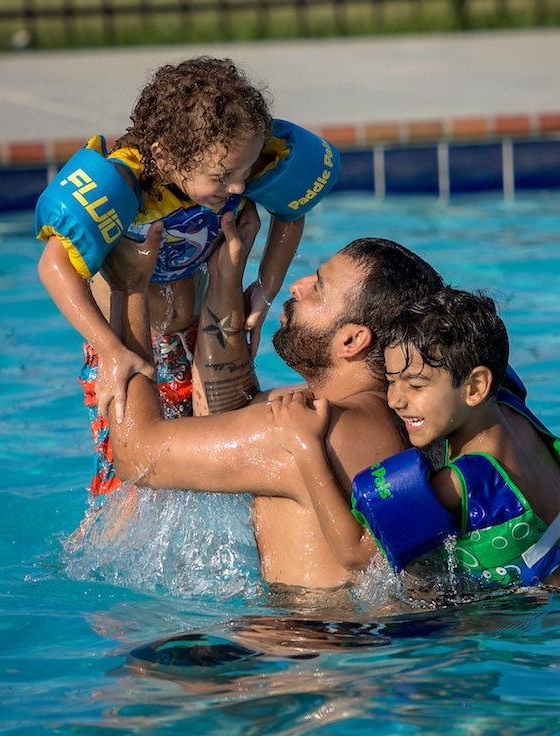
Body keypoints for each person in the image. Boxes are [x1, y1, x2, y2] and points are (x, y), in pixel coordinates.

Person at [33, 56, 339, 498]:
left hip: (193, 335)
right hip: (127, 345)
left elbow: (292, 210)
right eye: (222, 177)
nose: (238, 187)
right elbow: (53, 267)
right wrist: (111, 351)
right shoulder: (124, 186)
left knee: (208, 464)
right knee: (127, 484)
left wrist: (265, 289)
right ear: (164, 155)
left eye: (245, 172)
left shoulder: (232, 155)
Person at [98, 206, 446, 590]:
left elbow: (136, 454)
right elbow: (227, 408)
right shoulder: (382, 415)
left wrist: (128, 288)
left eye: (318, 288)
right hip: (342, 636)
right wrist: (225, 275)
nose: (297, 285)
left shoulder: (314, 432)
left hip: (306, 640)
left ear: (351, 340)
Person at [268, 287, 560, 592]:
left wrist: (305, 446)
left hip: (557, 622)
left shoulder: (463, 480)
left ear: (475, 387)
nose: (395, 399)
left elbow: (356, 553)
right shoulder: (510, 407)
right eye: (391, 381)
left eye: (416, 385)